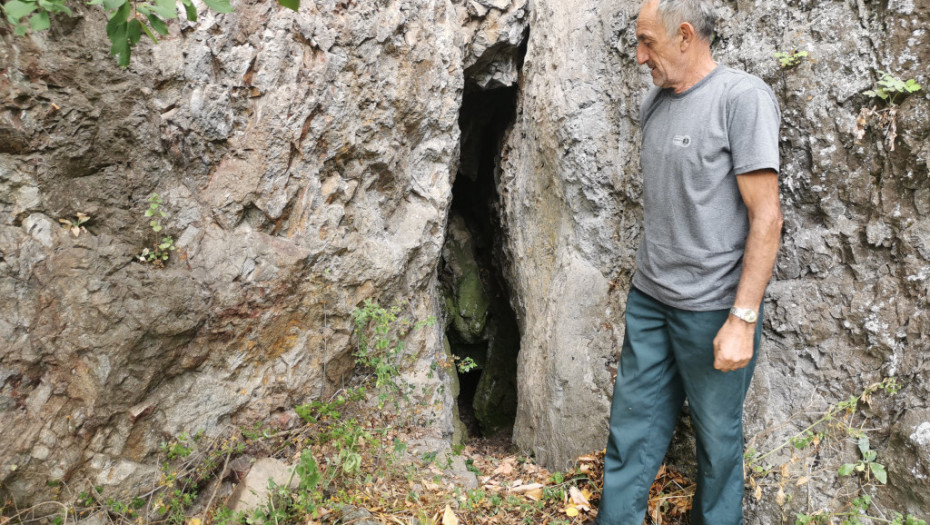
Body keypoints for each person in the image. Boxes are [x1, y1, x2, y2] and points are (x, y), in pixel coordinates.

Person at [596, 0, 783, 524]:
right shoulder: (654, 102)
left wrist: (742, 319)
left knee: (718, 447)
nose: (638, 56)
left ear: (684, 35)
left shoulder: (741, 99)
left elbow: (767, 219)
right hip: (651, 301)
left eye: (647, 42)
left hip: (714, 311)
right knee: (629, 435)